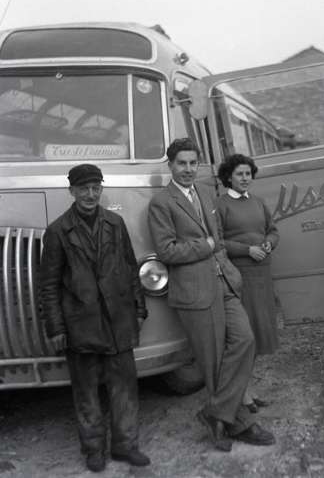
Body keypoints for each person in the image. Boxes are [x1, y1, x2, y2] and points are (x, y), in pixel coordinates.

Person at [148, 138, 275, 451]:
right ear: (170, 165)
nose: (188, 169)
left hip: (224, 282)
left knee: (245, 339)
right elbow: (166, 251)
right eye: (182, 163)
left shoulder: (206, 193)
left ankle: (215, 412)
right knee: (214, 359)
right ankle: (237, 424)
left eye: (193, 163)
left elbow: (217, 238)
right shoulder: (161, 203)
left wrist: (225, 265)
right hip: (194, 290)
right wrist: (203, 246)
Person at [39, 164, 150, 472]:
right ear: (72, 191)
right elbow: (48, 285)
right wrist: (56, 328)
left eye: (95, 188)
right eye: (83, 189)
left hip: (118, 319)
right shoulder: (58, 231)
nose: (90, 195)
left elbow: (130, 268)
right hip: (80, 324)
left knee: (124, 387)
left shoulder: (115, 223)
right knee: (86, 391)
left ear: (101, 189)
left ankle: (125, 446)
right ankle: (93, 449)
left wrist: (139, 309)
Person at [216, 154, 279, 413]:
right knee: (245, 337)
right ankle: (242, 395)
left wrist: (269, 243)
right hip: (240, 276)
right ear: (228, 177)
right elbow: (217, 241)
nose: (245, 178)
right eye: (239, 174)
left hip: (262, 274)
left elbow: (273, 230)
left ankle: (247, 390)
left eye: (248, 174)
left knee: (259, 334)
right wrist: (247, 250)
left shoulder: (258, 202)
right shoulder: (220, 205)